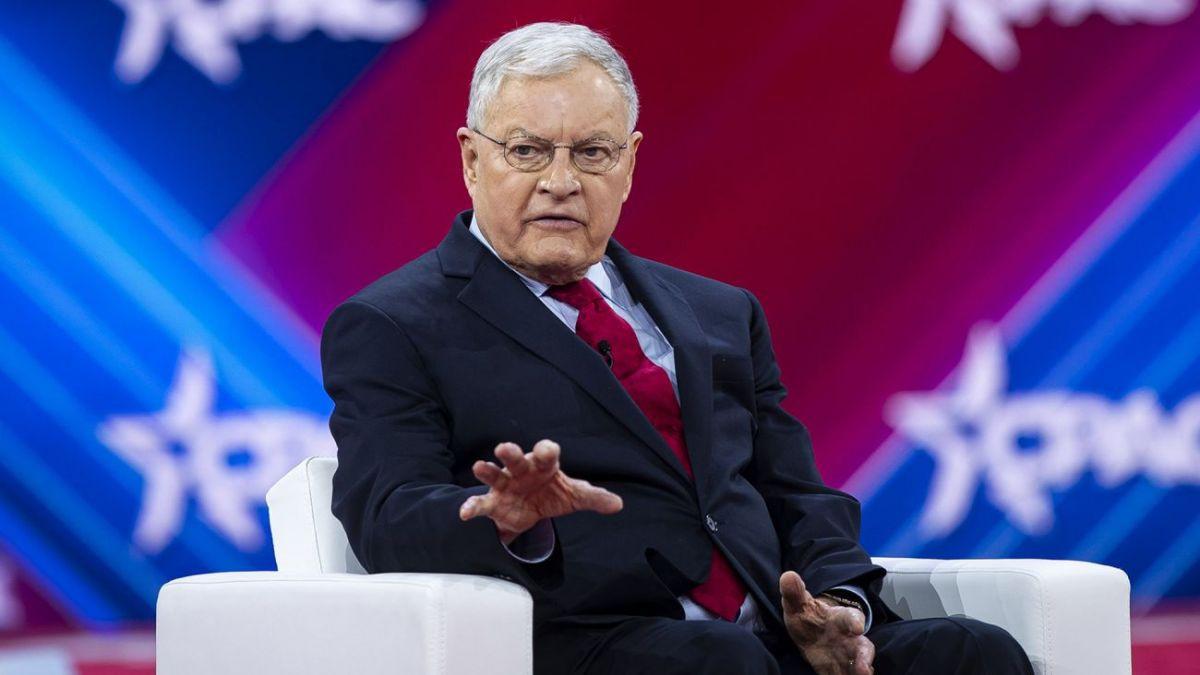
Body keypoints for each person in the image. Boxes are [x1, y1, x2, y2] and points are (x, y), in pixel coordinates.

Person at [321, 21, 1035, 675]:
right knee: (720, 662)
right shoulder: (393, 324)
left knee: (974, 651)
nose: (560, 182)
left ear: (629, 164)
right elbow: (386, 513)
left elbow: (796, 493)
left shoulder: (721, 312)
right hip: (597, 642)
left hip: (774, 638)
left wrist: (839, 603)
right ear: (472, 160)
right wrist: (504, 518)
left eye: (592, 152)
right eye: (526, 150)